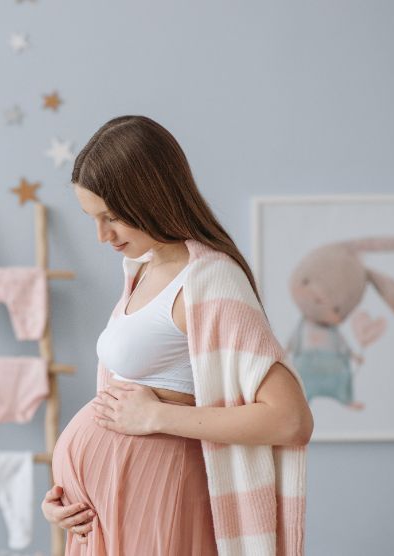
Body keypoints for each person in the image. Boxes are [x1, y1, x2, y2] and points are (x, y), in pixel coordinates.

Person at [40, 115, 313, 555]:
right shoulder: (143, 270)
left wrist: (158, 418)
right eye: (93, 218)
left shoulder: (210, 280)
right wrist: (66, 497)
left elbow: (291, 419)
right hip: (108, 513)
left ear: (151, 197)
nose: (102, 236)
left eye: (112, 217)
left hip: (160, 501)